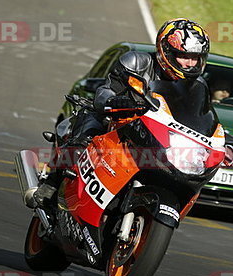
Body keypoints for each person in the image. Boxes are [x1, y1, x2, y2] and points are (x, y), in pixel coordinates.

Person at [29, 18, 212, 207]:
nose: (190, 63)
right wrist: (114, 100)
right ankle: (52, 184)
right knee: (88, 129)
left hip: (155, 135)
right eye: (184, 56)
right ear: (166, 51)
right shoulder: (136, 62)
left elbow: (202, 116)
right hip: (119, 123)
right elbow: (105, 91)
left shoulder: (198, 85)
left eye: (196, 57)